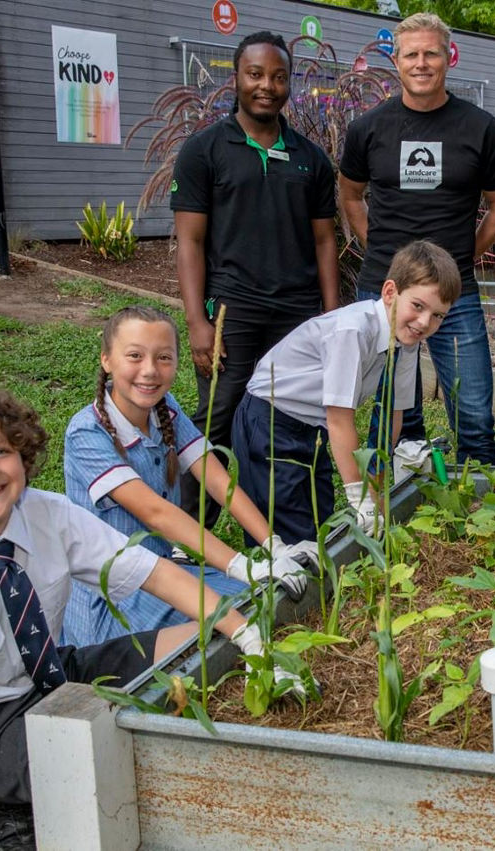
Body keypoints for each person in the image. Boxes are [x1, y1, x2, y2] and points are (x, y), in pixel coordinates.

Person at [0, 388, 267, 851]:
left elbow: (153, 572)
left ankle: (62, 785)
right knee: (98, 744)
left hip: (54, 677)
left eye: (1, 451)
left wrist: (237, 626)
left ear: (24, 455)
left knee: (197, 647)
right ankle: (16, 813)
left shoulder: (50, 514)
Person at [62, 305, 313, 646]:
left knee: (271, 598)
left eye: (164, 357)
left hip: (164, 574)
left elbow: (216, 479)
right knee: (243, 616)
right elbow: (156, 513)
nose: (150, 371)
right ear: (106, 360)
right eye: (134, 356)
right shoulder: (86, 433)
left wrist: (274, 545)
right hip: (115, 598)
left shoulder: (165, 408)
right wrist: (242, 565)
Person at [171, 30, 339, 529]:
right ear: (236, 78)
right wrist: (197, 322)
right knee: (215, 424)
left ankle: (285, 533)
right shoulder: (204, 151)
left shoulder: (310, 157)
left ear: (290, 83)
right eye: (256, 74)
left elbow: (326, 242)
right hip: (231, 311)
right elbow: (189, 243)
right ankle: (190, 539)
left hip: (297, 315)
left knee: (293, 422)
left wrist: (329, 320)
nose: (267, 85)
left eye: (279, 77)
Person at [338, 12, 495, 465]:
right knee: (390, 416)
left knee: (475, 417)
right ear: (395, 60)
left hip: (456, 298)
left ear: (447, 58)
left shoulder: (480, 128)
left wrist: (459, 260)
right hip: (385, 290)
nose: (421, 63)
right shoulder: (368, 128)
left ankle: (482, 516)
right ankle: (390, 512)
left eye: (431, 53)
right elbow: (351, 196)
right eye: (411, 54)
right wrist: (377, 247)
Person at [232, 240, 461, 545]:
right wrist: (359, 497)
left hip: (312, 430)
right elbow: (340, 420)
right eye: (418, 306)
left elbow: (394, 413)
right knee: (288, 532)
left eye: (438, 315)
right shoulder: (353, 331)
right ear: (390, 292)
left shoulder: (407, 344)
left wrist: (376, 488)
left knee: (320, 517)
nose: (424, 322)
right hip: (269, 421)